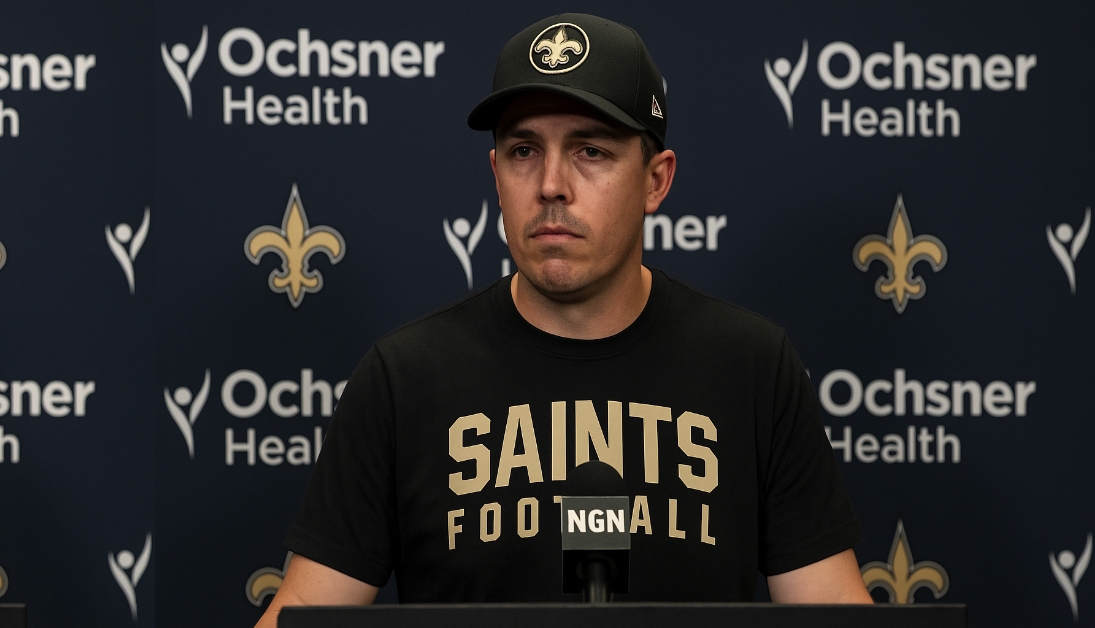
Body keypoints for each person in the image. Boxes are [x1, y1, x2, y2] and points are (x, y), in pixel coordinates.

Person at [254, 12, 870, 627]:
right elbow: (306, 609)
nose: (551, 184)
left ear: (656, 181)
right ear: (496, 175)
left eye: (591, 150)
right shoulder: (405, 378)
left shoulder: (752, 366)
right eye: (523, 150)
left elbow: (833, 608)